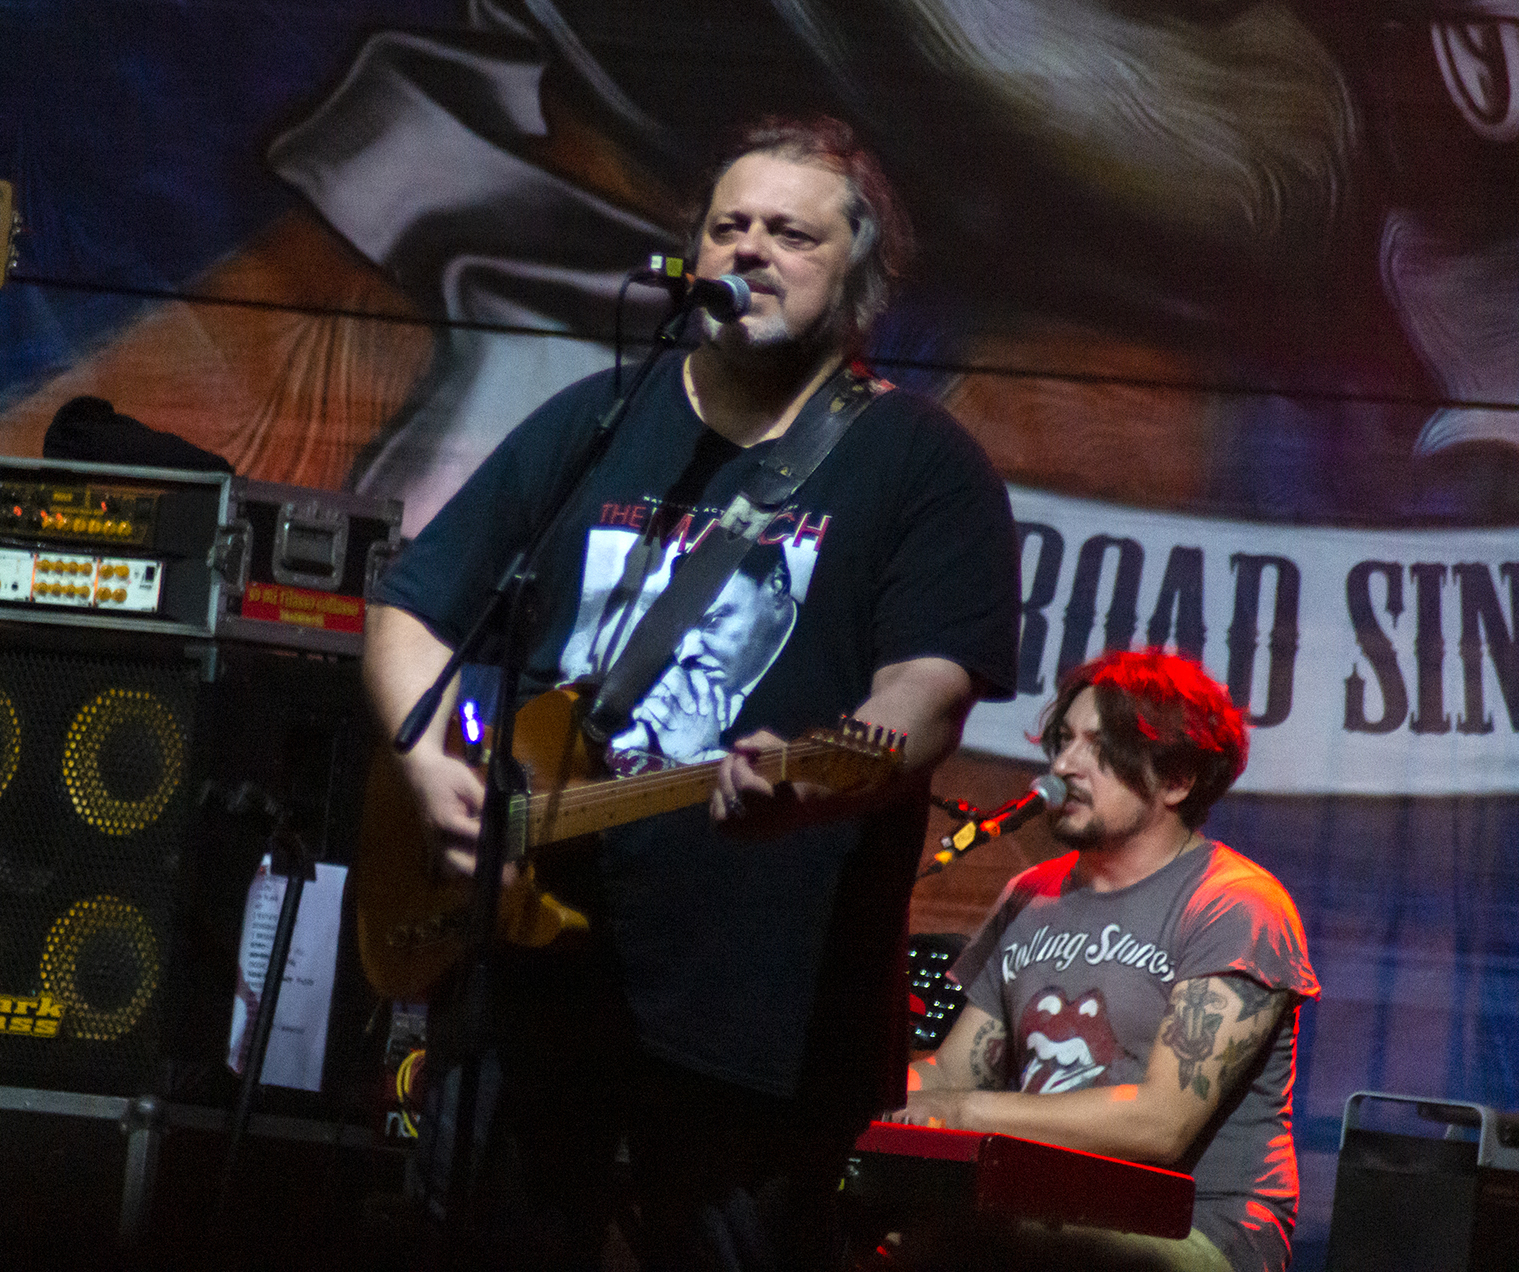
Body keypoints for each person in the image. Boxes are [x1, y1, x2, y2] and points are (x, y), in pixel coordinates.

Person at [362, 114, 1020, 1270]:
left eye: (791, 234)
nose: (749, 248)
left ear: (860, 278)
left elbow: (926, 688)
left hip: (755, 1011)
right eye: (728, 226)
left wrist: (816, 782)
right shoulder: (597, 420)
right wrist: (427, 764)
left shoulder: (918, 464)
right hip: (530, 987)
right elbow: (412, 608)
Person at [895, 649, 1319, 1272]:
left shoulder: (1236, 904)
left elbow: (1159, 1124)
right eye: (1064, 740)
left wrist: (958, 1113)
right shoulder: (1031, 894)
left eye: (1099, 747)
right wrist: (856, 1099)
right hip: (1042, 1207)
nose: (1064, 765)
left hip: (1194, 1232)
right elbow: (955, 1073)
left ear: (1177, 779)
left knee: (966, 1246)